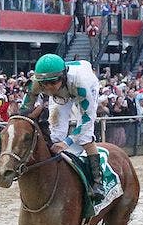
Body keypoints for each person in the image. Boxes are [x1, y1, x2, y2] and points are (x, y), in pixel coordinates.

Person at [22, 53, 105, 202]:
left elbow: (87, 119)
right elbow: (24, 109)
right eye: (44, 84)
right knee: (55, 135)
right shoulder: (35, 83)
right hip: (63, 94)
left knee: (85, 138)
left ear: (63, 76)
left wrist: (67, 143)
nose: (48, 87)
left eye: (53, 82)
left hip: (85, 86)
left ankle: (98, 182)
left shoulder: (81, 84)